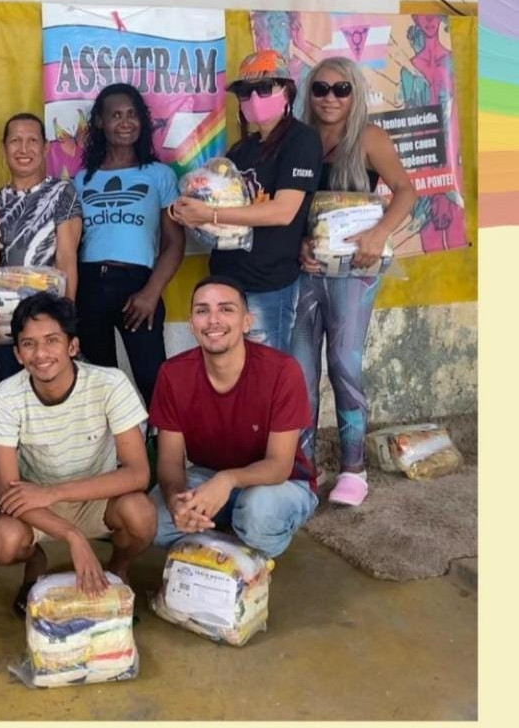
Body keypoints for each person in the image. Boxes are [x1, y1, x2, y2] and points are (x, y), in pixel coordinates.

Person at [291, 57, 417, 506]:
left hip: (355, 274)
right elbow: (288, 208)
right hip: (304, 274)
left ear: (355, 93)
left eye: (341, 89)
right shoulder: (298, 139)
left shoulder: (368, 138)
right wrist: (298, 246)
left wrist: (379, 233)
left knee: (344, 366)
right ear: (310, 93)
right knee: (300, 374)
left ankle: (353, 468)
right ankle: (302, 470)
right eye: (321, 88)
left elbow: (406, 190)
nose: (329, 97)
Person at [0, 293, 155, 616]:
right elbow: (7, 489)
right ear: (18, 354)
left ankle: (117, 567)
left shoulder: (109, 384)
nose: (41, 354)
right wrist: (72, 536)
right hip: (33, 503)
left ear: (72, 346)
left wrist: (54, 492)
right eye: (29, 344)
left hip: (93, 497)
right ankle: (36, 560)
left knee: (141, 515)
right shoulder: (5, 397)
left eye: (52, 340)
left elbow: (137, 473)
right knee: (1, 542)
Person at [150, 276, 319, 558]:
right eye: (202, 311)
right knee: (153, 521)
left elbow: (279, 465)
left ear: (246, 322)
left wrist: (227, 480)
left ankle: (242, 543)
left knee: (259, 515)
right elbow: (169, 461)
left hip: (279, 482)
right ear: (192, 324)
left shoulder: (282, 370)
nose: (213, 320)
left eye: (226, 309)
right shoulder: (172, 374)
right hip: (207, 475)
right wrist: (175, 500)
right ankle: (225, 533)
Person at [171, 50, 323, 353]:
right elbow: (217, 203)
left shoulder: (301, 140)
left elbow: (283, 212)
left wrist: (209, 214)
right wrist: (186, 209)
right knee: (226, 371)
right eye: (245, 91)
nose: (254, 97)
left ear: (287, 91)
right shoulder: (241, 149)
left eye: (265, 88)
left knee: (264, 373)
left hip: (268, 284)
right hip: (225, 279)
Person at [72, 83, 184, 407]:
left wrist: (152, 292)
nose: (125, 122)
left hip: (138, 286)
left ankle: (165, 453)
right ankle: (117, 456)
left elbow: (174, 243)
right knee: (101, 386)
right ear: (99, 123)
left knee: (154, 381)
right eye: (115, 115)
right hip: (89, 287)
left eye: (132, 114)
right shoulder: (81, 181)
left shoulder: (159, 175)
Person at [0, 112, 82, 381]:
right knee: (12, 392)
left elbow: (66, 257)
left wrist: (67, 319)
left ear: (45, 148)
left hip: (50, 320)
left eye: (32, 140)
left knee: (53, 392)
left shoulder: (62, 193)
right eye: (15, 141)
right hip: (6, 321)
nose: (24, 149)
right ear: (3, 148)